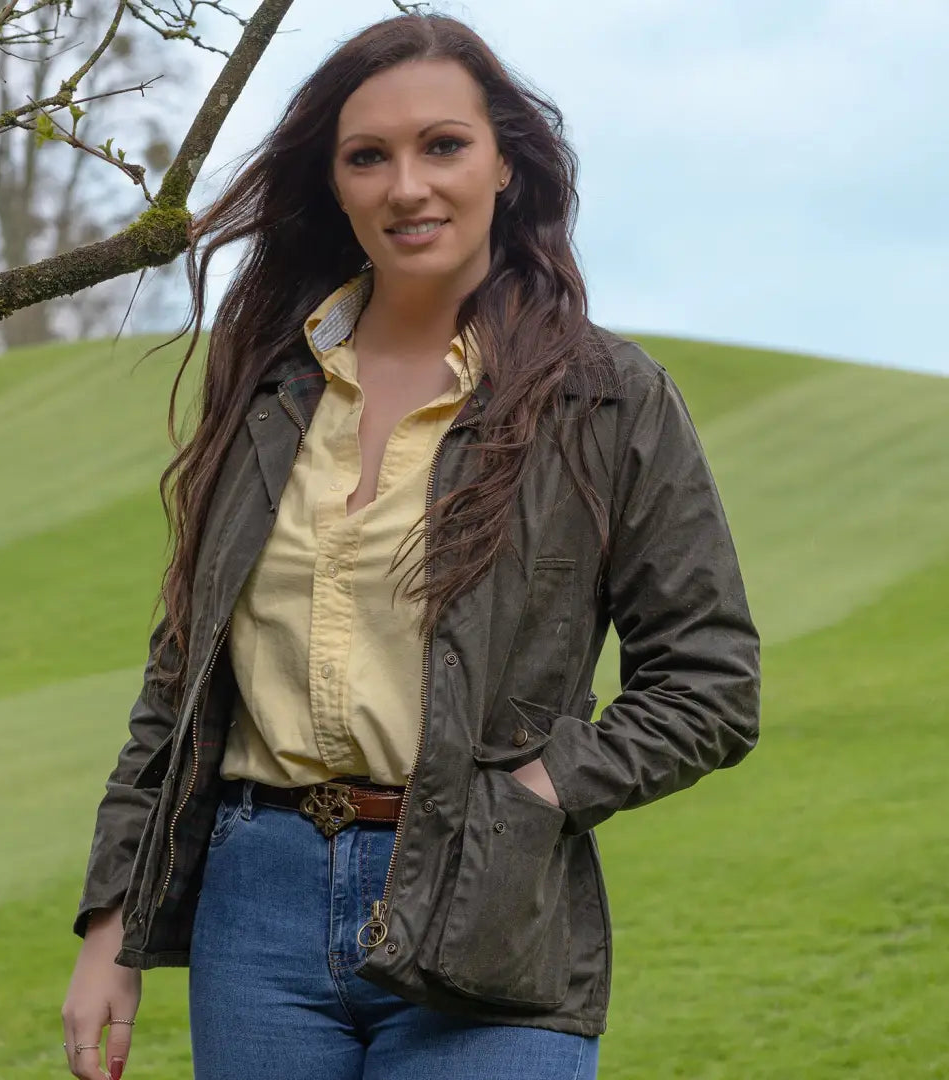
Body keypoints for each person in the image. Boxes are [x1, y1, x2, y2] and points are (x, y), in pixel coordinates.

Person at [61, 12, 760, 1080]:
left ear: (507, 166)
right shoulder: (265, 391)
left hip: (487, 904)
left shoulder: (607, 399)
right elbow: (182, 681)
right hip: (256, 913)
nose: (407, 186)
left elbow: (708, 683)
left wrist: (534, 796)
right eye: (367, 157)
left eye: (443, 145)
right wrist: (113, 921)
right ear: (333, 186)